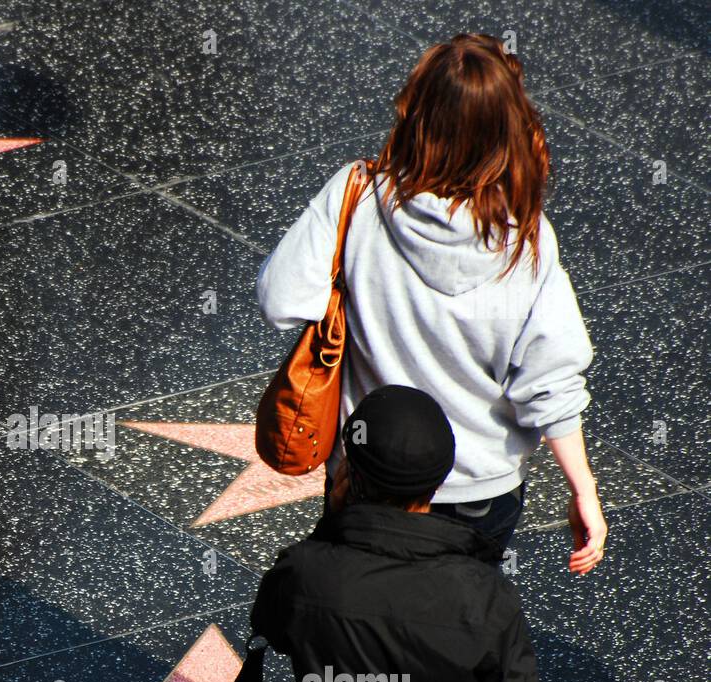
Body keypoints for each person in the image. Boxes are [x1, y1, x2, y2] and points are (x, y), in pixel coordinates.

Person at [257, 33, 606, 573]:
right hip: (481, 490)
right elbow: (549, 381)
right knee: (450, 629)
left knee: (360, 625)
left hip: (369, 472)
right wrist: (582, 489)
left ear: (416, 115)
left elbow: (280, 300)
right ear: (510, 130)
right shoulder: (528, 240)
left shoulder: (358, 197)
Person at [252, 385, 583, 682]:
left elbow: (274, 628)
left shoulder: (304, 573)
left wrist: (337, 524)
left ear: (352, 471)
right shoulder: (480, 596)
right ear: (442, 476)